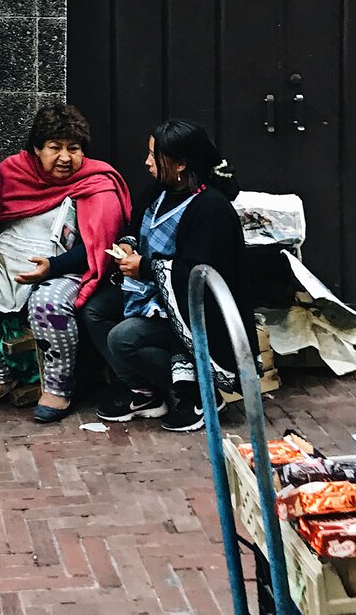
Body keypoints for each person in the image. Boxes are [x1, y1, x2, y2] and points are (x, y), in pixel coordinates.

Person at [0, 104, 131, 422]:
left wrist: (54, 266)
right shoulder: (13, 173)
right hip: (12, 261)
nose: (65, 157)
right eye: (55, 148)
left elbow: (98, 246)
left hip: (70, 268)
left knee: (47, 302)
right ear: (37, 149)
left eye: (73, 149)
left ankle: (59, 388)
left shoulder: (97, 183)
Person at [95, 119, 255, 433]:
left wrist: (143, 267)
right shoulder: (161, 188)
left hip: (191, 309)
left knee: (123, 338)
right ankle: (143, 393)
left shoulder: (211, 208)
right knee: (94, 309)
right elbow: (135, 226)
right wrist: (127, 246)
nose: (147, 162)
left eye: (155, 156)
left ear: (180, 164)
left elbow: (197, 275)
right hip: (148, 294)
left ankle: (198, 393)